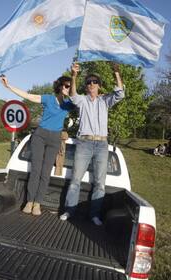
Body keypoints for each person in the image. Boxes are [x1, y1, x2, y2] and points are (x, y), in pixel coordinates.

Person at [60, 62, 124, 226]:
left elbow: (120, 94)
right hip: (84, 143)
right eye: (88, 82)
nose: (91, 84)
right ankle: (69, 210)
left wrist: (116, 72)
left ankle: (94, 215)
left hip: (102, 145)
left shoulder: (105, 100)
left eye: (95, 82)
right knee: (75, 180)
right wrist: (74, 75)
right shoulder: (82, 100)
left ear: (99, 86)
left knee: (100, 184)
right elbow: (73, 95)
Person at [0, 74, 74, 216]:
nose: (68, 88)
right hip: (40, 135)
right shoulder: (48, 99)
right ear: (59, 86)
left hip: (55, 139)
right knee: (36, 170)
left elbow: (79, 101)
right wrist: (9, 86)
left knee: (46, 173)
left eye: (70, 86)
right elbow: (28, 96)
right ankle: (29, 201)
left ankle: (37, 203)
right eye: (66, 85)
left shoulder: (69, 104)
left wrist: (71, 92)